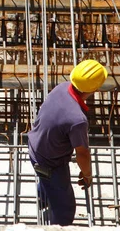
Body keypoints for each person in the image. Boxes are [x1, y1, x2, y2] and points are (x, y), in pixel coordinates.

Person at [27, 59, 108, 226]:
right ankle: (57, 225)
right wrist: (87, 174)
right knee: (64, 209)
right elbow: (82, 153)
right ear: (95, 88)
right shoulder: (77, 120)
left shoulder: (61, 88)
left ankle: (44, 198)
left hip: (35, 147)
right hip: (51, 163)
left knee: (44, 182)